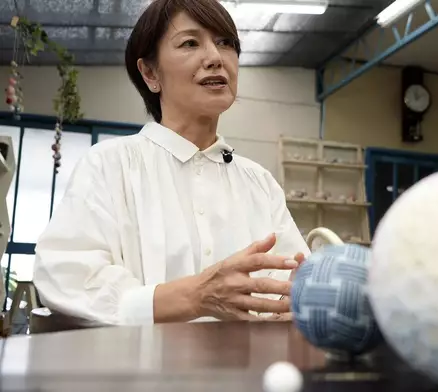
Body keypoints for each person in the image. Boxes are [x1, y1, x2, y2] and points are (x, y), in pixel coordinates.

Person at [32, 0, 310, 327]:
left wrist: (300, 296)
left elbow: (296, 276)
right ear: (150, 73)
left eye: (226, 43)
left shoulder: (259, 183)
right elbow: (66, 276)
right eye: (190, 43)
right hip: (138, 374)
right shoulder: (110, 165)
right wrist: (195, 297)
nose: (215, 58)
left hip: (249, 373)